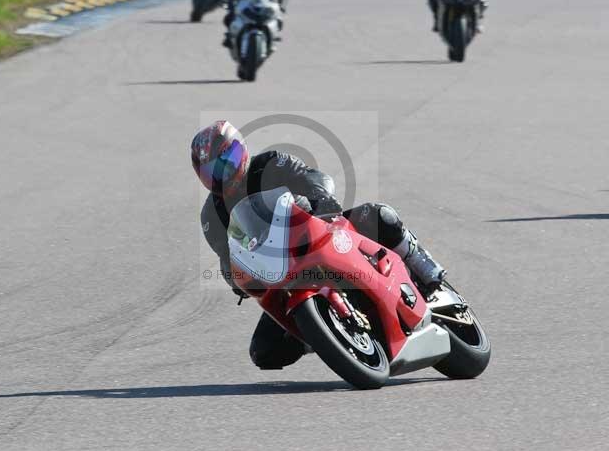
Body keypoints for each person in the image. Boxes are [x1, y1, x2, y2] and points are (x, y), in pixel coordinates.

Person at [191, 121, 448, 370]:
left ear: (242, 149)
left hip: (319, 231)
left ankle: (426, 270)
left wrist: (321, 199)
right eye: (213, 169)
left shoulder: (270, 163)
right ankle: (323, 334)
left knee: (379, 216)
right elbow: (227, 258)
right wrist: (238, 280)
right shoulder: (211, 216)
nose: (223, 172)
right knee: (264, 351)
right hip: (281, 273)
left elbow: (312, 177)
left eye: (229, 160)